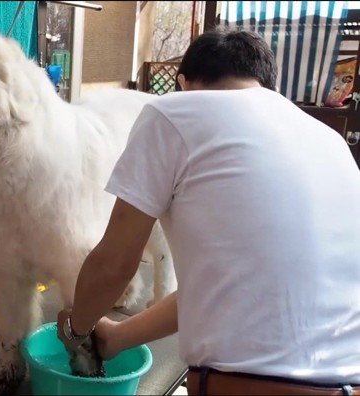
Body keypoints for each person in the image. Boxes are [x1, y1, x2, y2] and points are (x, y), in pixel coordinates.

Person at [57, 27, 360, 395]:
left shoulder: (173, 113)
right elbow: (226, 290)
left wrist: (76, 330)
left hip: (248, 386)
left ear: (183, 83)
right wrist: (117, 336)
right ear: (266, 84)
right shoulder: (329, 140)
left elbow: (114, 263)